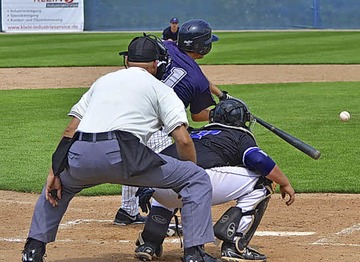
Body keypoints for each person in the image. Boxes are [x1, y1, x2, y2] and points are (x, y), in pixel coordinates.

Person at [21, 34, 219, 262]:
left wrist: (55, 172)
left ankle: (33, 250)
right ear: (157, 63)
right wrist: (185, 175)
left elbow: (70, 131)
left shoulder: (102, 82)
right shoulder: (161, 89)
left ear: (128, 60)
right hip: (125, 156)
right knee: (196, 178)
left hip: (80, 154)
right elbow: (183, 140)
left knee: (57, 189)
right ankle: (194, 254)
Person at [133, 98, 296, 262]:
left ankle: (149, 243)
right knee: (263, 181)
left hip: (155, 185)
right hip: (195, 185)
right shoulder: (238, 135)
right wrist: (285, 182)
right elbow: (259, 161)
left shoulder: (194, 133)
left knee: (173, 176)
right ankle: (235, 245)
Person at [114, 18, 230, 225]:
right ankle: (159, 207)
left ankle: (127, 211)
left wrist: (221, 95)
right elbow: (198, 115)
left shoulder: (167, 46)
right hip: (161, 126)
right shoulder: (197, 80)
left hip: (132, 113)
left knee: (134, 157)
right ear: (203, 47)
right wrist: (219, 113)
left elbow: (199, 75)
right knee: (171, 163)